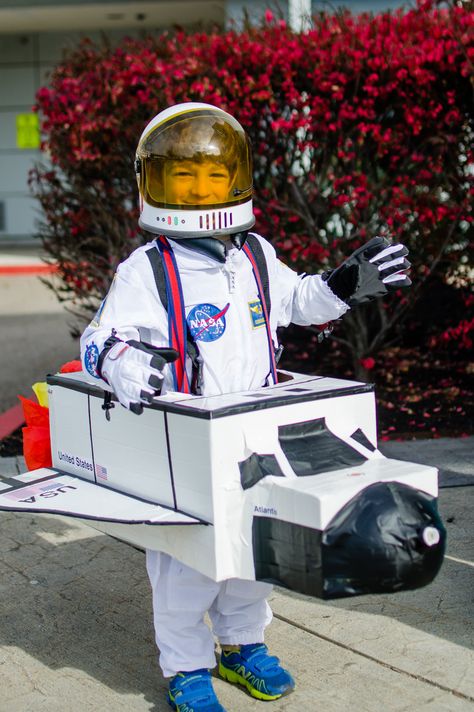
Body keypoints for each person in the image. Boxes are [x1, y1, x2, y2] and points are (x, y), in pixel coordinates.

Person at [80, 102, 411, 712]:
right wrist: (128, 366)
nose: (200, 191)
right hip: (188, 441)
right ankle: (186, 667)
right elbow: (100, 341)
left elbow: (298, 302)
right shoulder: (149, 270)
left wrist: (342, 285)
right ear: (155, 183)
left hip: (259, 431)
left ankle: (242, 645)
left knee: (255, 549)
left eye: (211, 176)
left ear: (235, 178)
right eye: (184, 178)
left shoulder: (253, 254)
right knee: (188, 566)